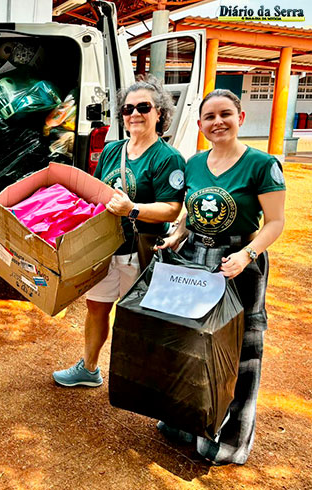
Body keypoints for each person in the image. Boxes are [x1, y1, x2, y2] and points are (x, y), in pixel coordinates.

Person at [156, 89, 285, 465]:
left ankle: (229, 439)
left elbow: (275, 222)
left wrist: (247, 255)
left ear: (240, 118)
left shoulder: (261, 164)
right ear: (200, 125)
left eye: (225, 114)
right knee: (191, 341)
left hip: (240, 261)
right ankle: (183, 422)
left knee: (241, 349)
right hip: (196, 258)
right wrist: (178, 234)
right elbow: (188, 211)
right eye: (209, 117)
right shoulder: (194, 163)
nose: (218, 122)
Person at [52, 77, 186, 387]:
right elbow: (96, 194)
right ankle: (88, 367)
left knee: (138, 317)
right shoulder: (112, 150)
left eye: (143, 107)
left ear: (160, 114)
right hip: (106, 248)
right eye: (128, 108)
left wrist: (132, 209)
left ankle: (140, 379)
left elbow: (172, 209)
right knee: (96, 307)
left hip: (140, 250)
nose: (134, 114)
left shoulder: (168, 158)